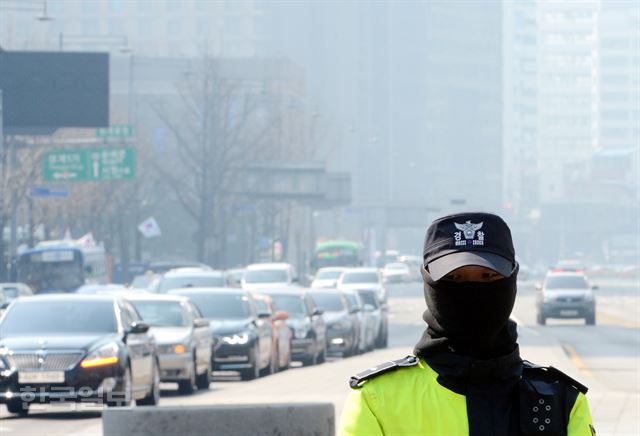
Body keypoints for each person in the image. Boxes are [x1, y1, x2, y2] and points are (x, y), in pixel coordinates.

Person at [339, 212, 594, 435]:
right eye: (455, 278)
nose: (473, 291)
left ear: (512, 282)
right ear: (428, 283)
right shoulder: (377, 400)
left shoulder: (562, 403)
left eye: (488, 276)